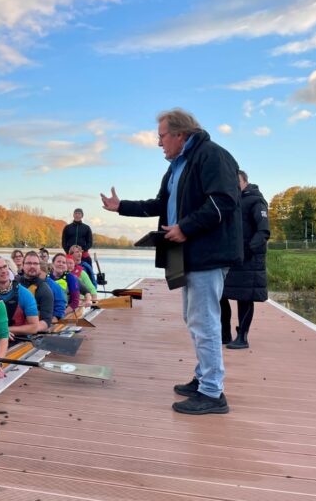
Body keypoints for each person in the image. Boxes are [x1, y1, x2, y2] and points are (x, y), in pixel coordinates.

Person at [101, 108, 241, 415]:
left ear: (180, 134)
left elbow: (224, 201)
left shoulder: (212, 156)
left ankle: (213, 393)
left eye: (161, 136)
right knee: (194, 320)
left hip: (207, 252)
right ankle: (204, 376)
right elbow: (161, 204)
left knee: (204, 321)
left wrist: (185, 227)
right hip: (187, 254)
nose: (158, 143)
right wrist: (120, 206)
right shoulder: (178, 165)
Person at [220, 170, 270, 349]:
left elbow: (263, 231)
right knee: (221, 294)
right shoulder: (231, 201)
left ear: (244, 181)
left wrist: (248, 250)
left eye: (236, 182)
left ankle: (242, 337)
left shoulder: (256, 201)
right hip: (231, 258)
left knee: (245, 297)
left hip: (249, 259)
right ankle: (224, 333)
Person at [0, 256, 40, 337]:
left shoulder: (24, 294)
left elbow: (34, 327)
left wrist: (4, 330)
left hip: (18, 340)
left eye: (5, 267)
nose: (3, 271)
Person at [17, 250, 54, 332]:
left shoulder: (45, 290)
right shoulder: (14, 283)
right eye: (29, 263)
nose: (32, 266)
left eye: (35, 264)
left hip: (30, 335)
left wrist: (27, 330)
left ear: (39, 267)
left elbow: (46, 321)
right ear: (23, 265)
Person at [61, 208, 95, 283]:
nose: (77, 215)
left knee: (88, 265)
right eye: (76, 213)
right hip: (70, 253)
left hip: (83, 253)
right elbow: (63, 242)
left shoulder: (86, 228)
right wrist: (69, 252)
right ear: (73, 215)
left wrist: (83, 250)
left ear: (82, 216)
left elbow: (90, 242)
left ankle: (90, 282)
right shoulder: (67, 227)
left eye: (79, 214)